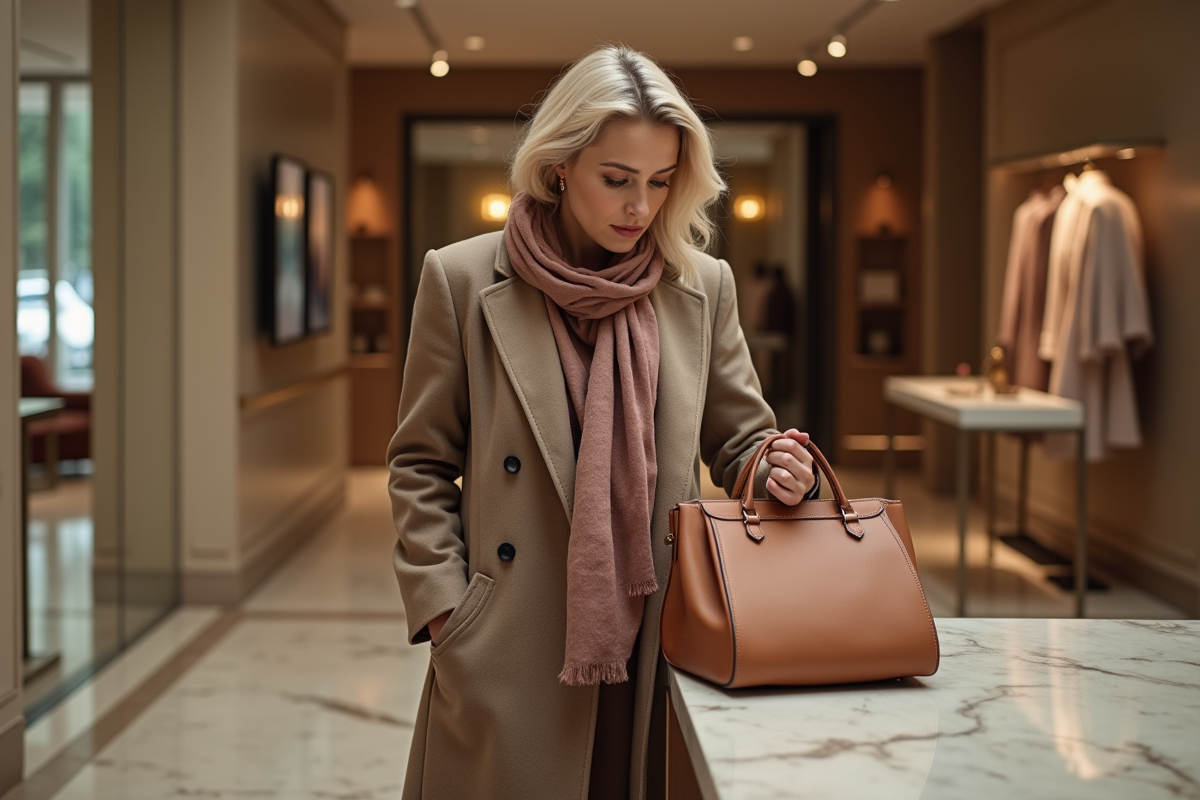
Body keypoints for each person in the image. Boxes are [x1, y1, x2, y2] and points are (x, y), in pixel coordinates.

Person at [386, 45, 819, 800]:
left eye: (659, 182)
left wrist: (777, 467)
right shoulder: (460, 279)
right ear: (559, 168)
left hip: (658, 633)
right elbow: (420, 463)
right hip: (511, 643)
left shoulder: (700, 288)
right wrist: (447, 612)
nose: (640, 208)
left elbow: (740, 440)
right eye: (617, 180)